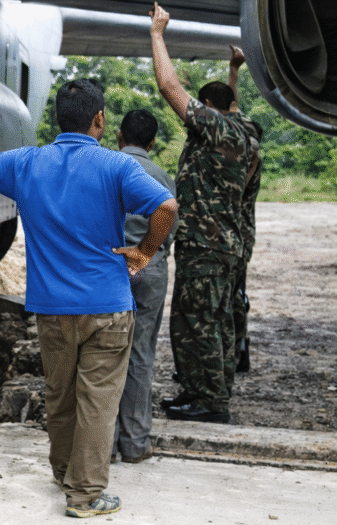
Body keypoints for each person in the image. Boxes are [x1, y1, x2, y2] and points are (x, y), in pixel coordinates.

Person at [0, 78, 177, 518]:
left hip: (52, 308)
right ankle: (85, 494)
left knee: (61, 394)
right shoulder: (117, 167)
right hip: (107, 305)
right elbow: (166, 207)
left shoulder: (25, 164)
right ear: (100, 120)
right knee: (98, 401)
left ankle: (63, 471)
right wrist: (145, 252)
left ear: (57, 121)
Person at [151, 2, 254, 424]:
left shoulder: (213, 126)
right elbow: (229, 106)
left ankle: (211, 403)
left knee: (200, 324)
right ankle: (207, 391)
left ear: (208, 110)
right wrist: (234, 73)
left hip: (207, 247)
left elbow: (169, 88)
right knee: (218, 321)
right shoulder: (242, 130)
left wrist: (158, 35)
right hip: (226, 246)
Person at [113, 109, 180, 463]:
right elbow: (172, 223)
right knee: (141, 355)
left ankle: (103, 445)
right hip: (150, 267)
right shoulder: (162, 176)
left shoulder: (106, 165)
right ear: (153, 142)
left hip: (111, 268)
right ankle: (136, 443)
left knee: (104, 356)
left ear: (119, 136)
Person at [227, 45, 263, 374]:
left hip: (236, 235)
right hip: (233, 234)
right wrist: (234, 70)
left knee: (234, 295)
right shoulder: (246, 141)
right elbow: (233, 109)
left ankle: (238, 351)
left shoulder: (249, 155)